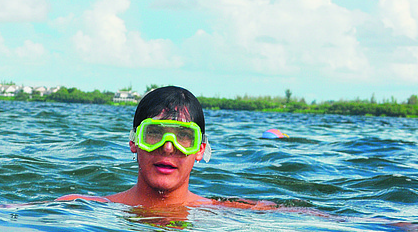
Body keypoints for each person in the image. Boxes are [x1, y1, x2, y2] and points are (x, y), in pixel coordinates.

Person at [59, 85, 268, 209]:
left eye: (184, 136)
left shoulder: (231, 212)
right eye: (154, 134)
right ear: (134, 141)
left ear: (200, 149)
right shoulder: (77, 207)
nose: (168, 147)